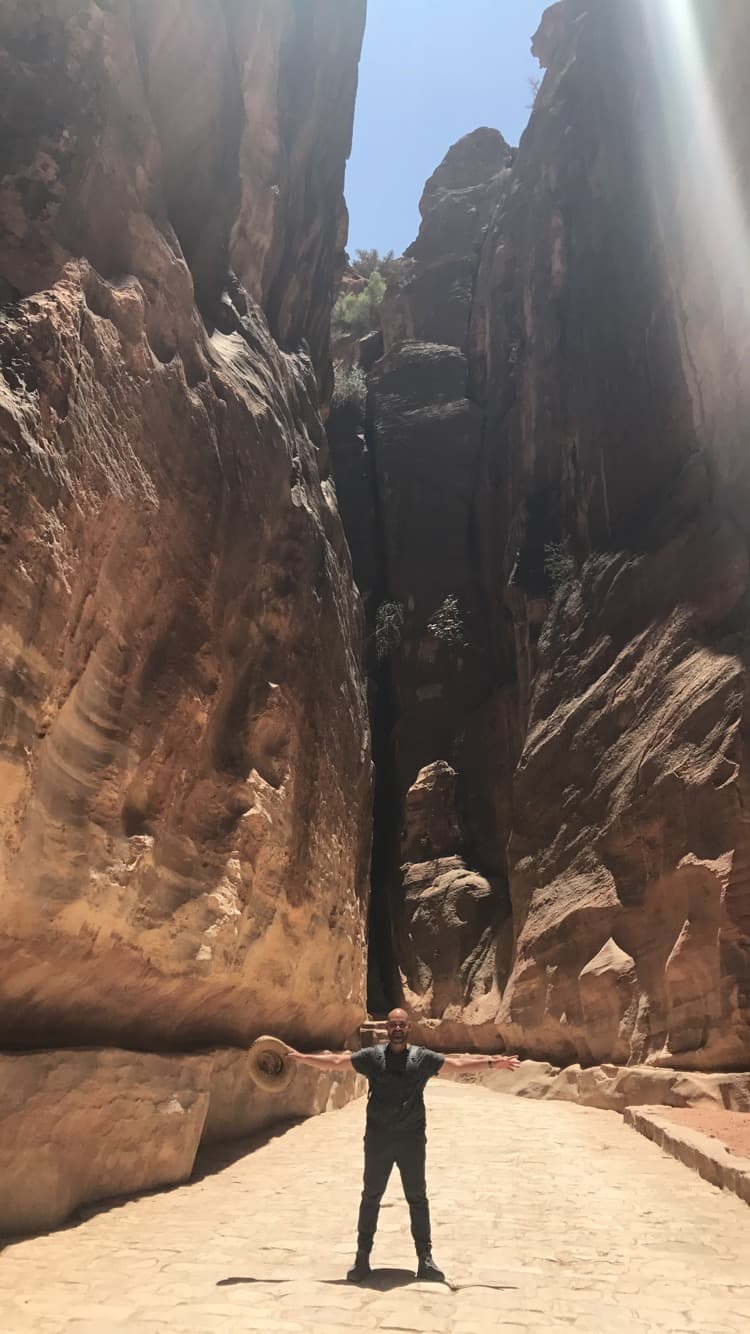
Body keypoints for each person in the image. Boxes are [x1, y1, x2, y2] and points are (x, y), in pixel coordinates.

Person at [286, 1007, 520, 1283]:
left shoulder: (421, 1058)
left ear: (409, 1028)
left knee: (417, 1197)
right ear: (387, 1028)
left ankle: (425, 1259)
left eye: (402, 1024)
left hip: (411, 1139)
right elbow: (339, 1062)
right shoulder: (373, 1057)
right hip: (378, 1139)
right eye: (393, 1024)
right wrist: (302, 1058)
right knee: (371, 1196)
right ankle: (362, 1258)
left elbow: (456, 1066)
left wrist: (493, 1063)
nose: (397, 1028)